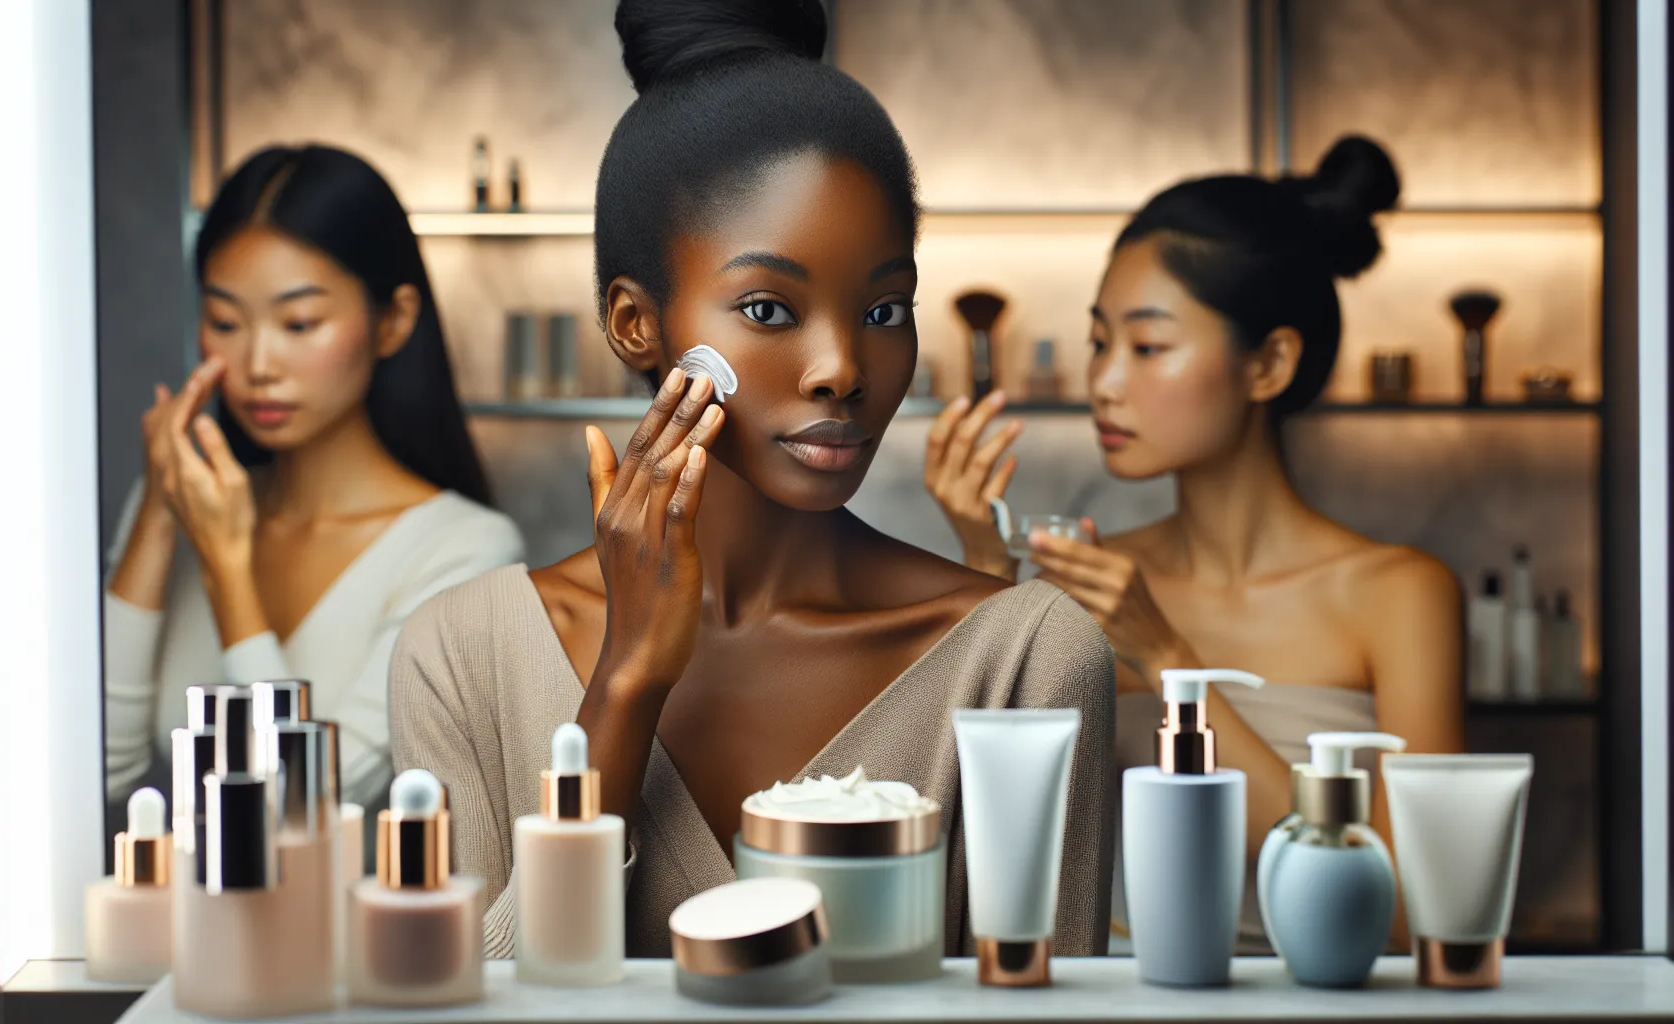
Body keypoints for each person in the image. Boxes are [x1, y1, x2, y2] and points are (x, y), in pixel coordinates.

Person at [390, 0, 1116, 961]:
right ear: (635, 322)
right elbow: (468, 1004)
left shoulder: (1026, 663)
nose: (843, 368)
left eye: (885, 308)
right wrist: (625, 686)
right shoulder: (460, 654)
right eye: (770, 308)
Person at [924, 136, 1464, 952]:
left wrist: (1167, 658)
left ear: (1270, 364)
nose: (1103, 380)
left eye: (1147, 347)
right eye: (1100, 341)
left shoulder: (1400, 596)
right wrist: (986, 573)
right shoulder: (1085, 583)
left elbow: (1407, 916)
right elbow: (975, 857)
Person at [104, 144, 526, 815]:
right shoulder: (177, 510)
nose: (259, 362)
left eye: (299, 323)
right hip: (179, 920)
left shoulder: (468, 551)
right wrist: (158, 513)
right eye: (225, 322)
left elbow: (307, 806)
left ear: (394, 320)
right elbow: (101, 770)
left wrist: (228, 573)